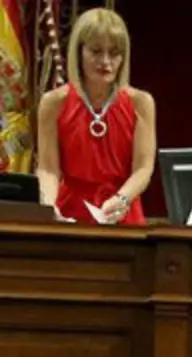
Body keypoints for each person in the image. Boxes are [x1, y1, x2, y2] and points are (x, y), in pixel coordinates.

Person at [35, 8, 155, 225]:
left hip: (121, 212)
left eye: (115, 53)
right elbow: (48, 168)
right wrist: (49, 206)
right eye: (96, 51)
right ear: (79, 53)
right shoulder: (53, 103)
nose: (106, 61)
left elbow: (143, 168)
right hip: (70, 212)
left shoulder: (141, 103)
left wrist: (122, 198)